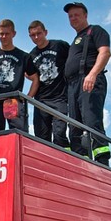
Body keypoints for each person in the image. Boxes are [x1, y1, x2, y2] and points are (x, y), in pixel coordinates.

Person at [63, 2, 111, 165]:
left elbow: (105, 53)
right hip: (73, 86)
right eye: (70, 16)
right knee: (74, 125)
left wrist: (92, 74)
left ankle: (102, 160)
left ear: (85, 15)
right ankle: (79, 160)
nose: (73, 18)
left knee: (91, 121)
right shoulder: (76, 39)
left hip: (88, 80)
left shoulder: (95, 31)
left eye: (76, 15)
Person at [25, 20, 70, 148]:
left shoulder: (60, 46)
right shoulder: (31, 55)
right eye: (33, 35)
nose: (36, 37)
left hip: (59, 98)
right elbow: (31, 76)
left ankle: (66, 160)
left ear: (45, 32)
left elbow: (73, 61)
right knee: (41, 137)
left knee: (59, 133)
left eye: (39, 33)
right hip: (41, 100)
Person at [0, 19, 29, 131]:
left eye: (7, 34)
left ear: (14, 34)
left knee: (17, 133)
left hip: (12, 100)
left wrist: (27, 98)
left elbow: (35, 78)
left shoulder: (23, 56)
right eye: (1, 34)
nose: (4, 37)